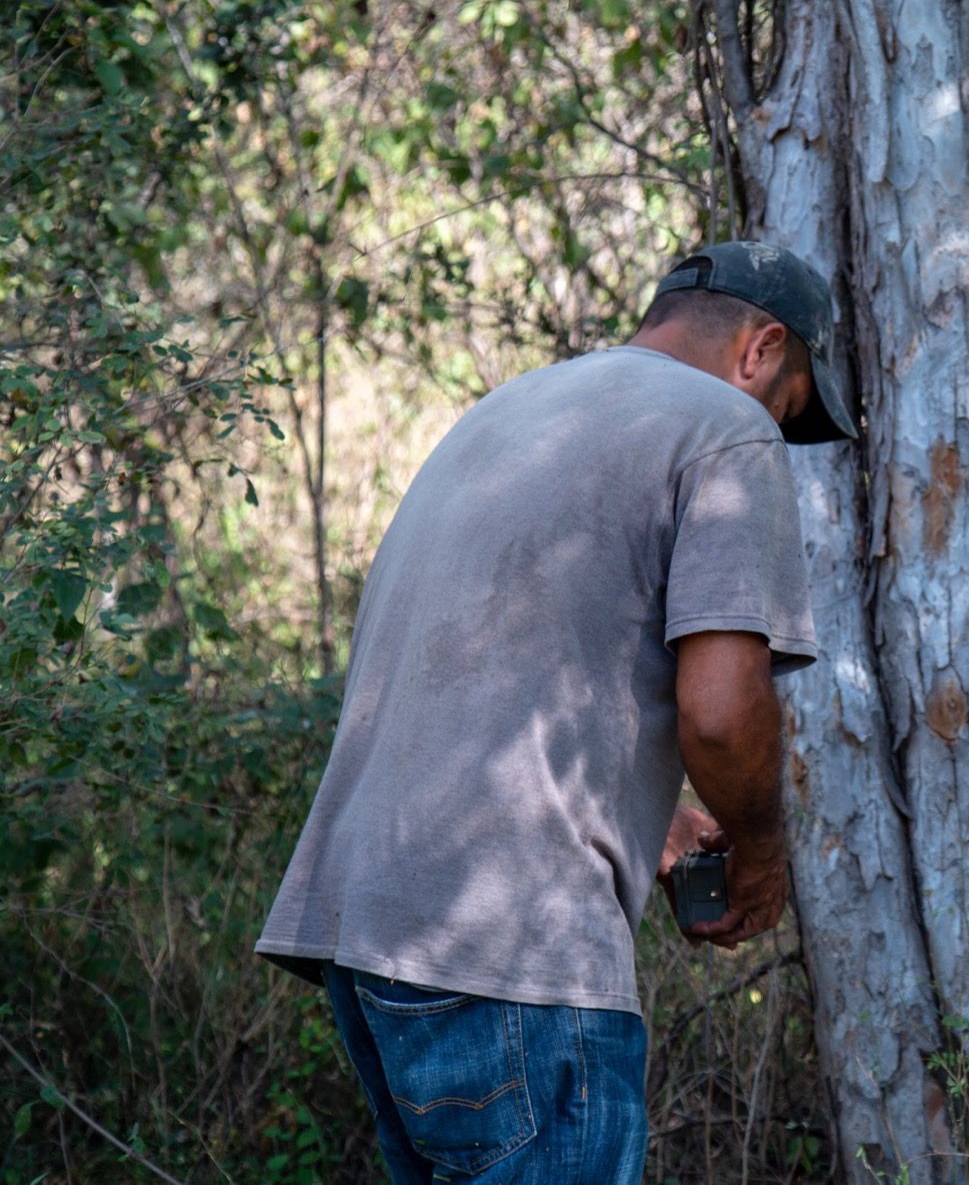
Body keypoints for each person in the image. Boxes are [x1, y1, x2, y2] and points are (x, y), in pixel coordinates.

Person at [254, 241, 857, 1183]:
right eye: (789, 403)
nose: (775, 427)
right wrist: (761, 854)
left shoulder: (511, 412)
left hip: (366, 932)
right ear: (761, 349)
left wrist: (636, 808)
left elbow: (489, 678)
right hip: (514, 956)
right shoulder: (723, 429)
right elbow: (721, 714)